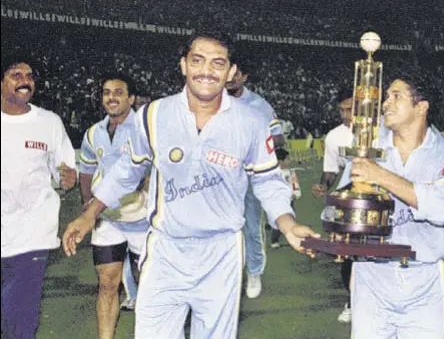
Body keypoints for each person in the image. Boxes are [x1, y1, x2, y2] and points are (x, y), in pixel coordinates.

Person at [62, 30, 318, 339]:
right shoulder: (154, 115)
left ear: (231, 72)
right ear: (183, 65)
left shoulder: (251, 122)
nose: (206, 71)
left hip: (221, 253)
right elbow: (127, 170)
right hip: (165, 250)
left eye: (217, 63)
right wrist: (90, 214)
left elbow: (266, 179)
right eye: (198, 61)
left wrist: (287, 223)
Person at [336, 72, 444, 338]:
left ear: (421, 106)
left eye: (396, 96)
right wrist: (343, 223)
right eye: (386, 96)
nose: (386, 103)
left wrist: (380, 175)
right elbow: (343, 199)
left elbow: (443, 210)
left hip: (423, 281)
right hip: (370, 279)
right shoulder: (367, 147)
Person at [1, 55, 77, 338]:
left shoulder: (49, 122)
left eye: (29, 76)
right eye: (16, 75)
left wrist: (66, 177)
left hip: (32, 234)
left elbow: (64, 168)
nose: (25, 81)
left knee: (21, 316)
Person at [78, 72, 149, 338]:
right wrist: (88, 204)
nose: (112, 97)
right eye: (107, 92)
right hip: (107, 220)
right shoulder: (93, 133)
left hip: (142, 219)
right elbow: (86, 169)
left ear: (131, 98)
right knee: (107, 284)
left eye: (119, 92)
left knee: (151, 286)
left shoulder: (144, 130)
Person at [225, 60, 285, 299]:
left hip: (249, 175)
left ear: (244, 77)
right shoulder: (214, 101)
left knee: (251, 225)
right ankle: (228, 274)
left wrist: (252, 144)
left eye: (236, 73)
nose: (231, 78)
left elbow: (278, 138)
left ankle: (255, 272)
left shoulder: (259, 105)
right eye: (228, 72)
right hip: (221, 176)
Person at [311, 94, 354, 323]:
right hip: (348, 202)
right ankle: (351, 301)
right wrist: (323, 185)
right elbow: (331, 170)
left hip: (380, 201)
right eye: (341, 110)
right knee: (346, 254)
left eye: (350, 109)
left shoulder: (383, 130)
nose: (346, 115)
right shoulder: (335, 137)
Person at [270, 147, 302, 249]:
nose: (289, 161)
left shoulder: (291, 172)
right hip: (277, 202)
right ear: (279, 161)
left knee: (291, 219)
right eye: (287, 159)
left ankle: (290, 238)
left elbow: (295, 184)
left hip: (290, 201)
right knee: (278, 221)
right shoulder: (273, 174)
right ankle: (274, 240)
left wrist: (296, 193)